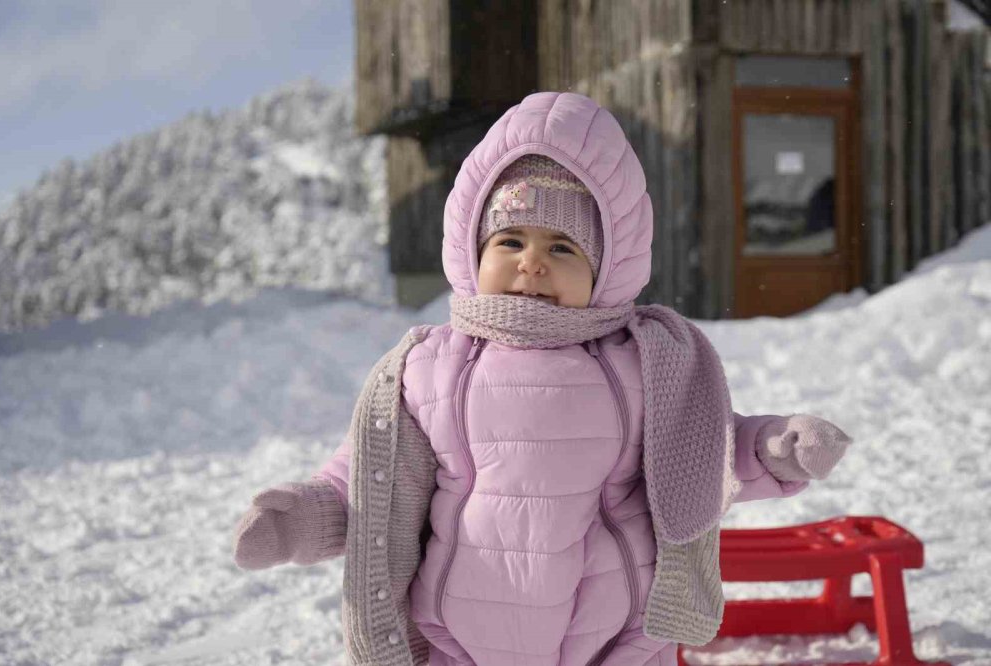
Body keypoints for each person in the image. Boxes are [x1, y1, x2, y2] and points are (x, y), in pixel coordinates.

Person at [232, 92, 852, 666]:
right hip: (460, 639)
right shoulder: (430, 367)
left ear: (607, 267)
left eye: (562, 248)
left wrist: (775, 449)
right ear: (473, 250)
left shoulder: (639, 362)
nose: (531, 262)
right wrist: (299, 522)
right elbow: (372, 480)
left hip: (615, 639)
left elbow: (702, 451)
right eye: (510, 240)